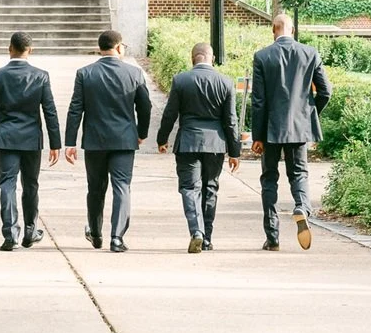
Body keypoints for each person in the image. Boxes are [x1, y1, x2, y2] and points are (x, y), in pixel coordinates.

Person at [64, 30, 151, 253]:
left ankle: (95, 232)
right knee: (122, 187)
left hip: (95, 141)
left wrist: (70, 142)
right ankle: (117, 237)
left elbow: (75, 109)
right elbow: (145, 106)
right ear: (119, 47)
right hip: (124, 140)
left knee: (95, 188)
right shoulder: (134, 73)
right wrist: (141, 132)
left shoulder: (85, 73)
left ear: (100, 48)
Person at [251, 13, 332, 251]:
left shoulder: (262, 56)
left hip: (271, 129)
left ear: (273, 30)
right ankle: (301, 207)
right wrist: (309, 115)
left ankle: (272, 236)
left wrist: (257, 136)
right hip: (299, 126)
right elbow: (325, 91)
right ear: (293, 30)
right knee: (299, 174)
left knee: (269, 179)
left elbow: (259, 101)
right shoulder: (310, 53)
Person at [157, 41, 241, 253]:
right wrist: (234, 151)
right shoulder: (225, 82)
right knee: (210, 188)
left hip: (188, 141)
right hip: (216, 143)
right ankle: (207, 238)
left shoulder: (181, 80)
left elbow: (170, 113)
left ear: (192, 58)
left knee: (189, 188)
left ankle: (196, 231)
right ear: (212, 58)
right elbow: (231, 120)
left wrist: (162, 138)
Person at [0, 32, 62, 251]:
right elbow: (50, 111)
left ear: (10, 48)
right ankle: (30, 230)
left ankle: (10, 234)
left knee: (7, 185)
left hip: (6, 137)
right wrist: (56, 143)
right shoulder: (40, 76)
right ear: (30, 50)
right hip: (30, 138)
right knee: (31, 185)